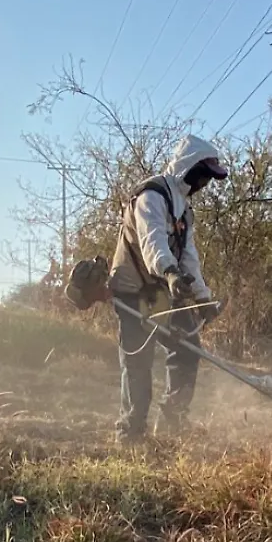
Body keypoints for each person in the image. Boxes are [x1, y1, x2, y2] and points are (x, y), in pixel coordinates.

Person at [107, 135, 228, 444]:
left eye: (209, 178)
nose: (204, 182)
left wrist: (203, 299)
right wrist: (170, 273)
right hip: (133, 288)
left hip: (163, 290)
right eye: (202, 174)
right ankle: (131, 433)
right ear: (187, 166)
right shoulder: (151, 196)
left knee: (188, 348)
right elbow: (153, 242)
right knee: (138, 361)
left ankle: (172, 421)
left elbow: (189, 256)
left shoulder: (184, 211)